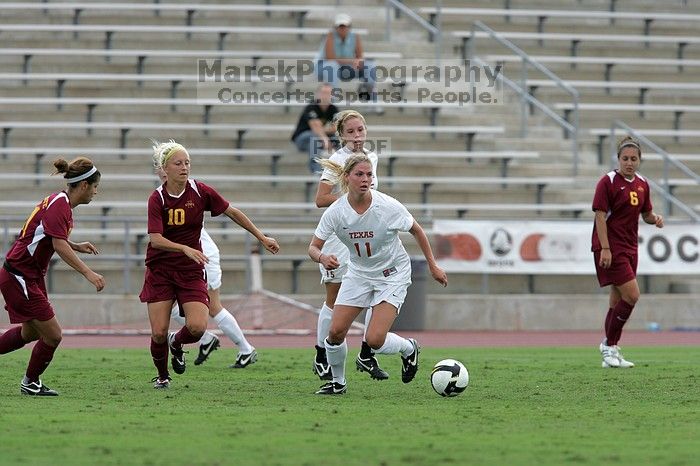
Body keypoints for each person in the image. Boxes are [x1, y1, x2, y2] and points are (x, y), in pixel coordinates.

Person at [140, 140, 279, 389]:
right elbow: (156, 240)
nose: (184, 167)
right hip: (160, 270)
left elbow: (232, 211)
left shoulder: (200, 191)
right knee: (158, 332)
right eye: (178, 163)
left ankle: (177, 343)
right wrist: (184, 248)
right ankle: (162, 376)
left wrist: (261, 236)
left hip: (191, 270)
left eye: (187, 162)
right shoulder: (157, 198)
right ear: (165, 169)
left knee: (196, 327)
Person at [309, 153, 448, 395]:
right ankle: (338, 384)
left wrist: (433, 265)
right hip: (359, 273)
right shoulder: (336, 211)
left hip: (392, 274)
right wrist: (322, 257)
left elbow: (417, 230)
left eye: (369, 174)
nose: (365, 179)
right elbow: (313, 247)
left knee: (374, 340)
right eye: (359, 174)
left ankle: (408, 349)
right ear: (346, 177)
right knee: (335, 332)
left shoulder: (387, 206)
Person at [0, 157, 105, 396]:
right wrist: (88, 273)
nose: (96, 192)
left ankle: (30, 381)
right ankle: (30, 382)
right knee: (54, 335)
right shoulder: (60, 204)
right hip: (20, 275)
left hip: (28, 275)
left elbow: (45, 235)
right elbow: (57, 244)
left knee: (31, 333)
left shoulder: (61, 202)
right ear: (84, 185)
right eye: (96, 186)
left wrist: (75, 245)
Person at [151, 166, 258, 369]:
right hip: (183, 261)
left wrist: (260, 236)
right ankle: (207, 339)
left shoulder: (192, 192)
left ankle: (245, 348)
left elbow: (230, 211)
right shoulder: (163, 196)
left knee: (212, 306)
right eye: (162, 171)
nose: (165, 175)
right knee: (174, 310)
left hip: (201, 258)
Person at [312, 109, 390, 383]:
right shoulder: (337, 160)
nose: (357, 136)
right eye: (351, 132)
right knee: (334, 300)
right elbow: (321, 199)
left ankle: (367, 354)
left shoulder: (372, 157)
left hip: (368, 236)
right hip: (341, 238)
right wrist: (351, 196)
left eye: (361, 130)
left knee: (374, 294)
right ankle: (321, 352)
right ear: (341, 135)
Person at [592, 136, 664, 368]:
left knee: (617, 299)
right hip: (612, 248)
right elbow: (600, 216)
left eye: (634, 159)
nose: (629, 163)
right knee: (632, 295)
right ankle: (609, 346)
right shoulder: (608, 182)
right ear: (618, 159)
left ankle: (610, 351)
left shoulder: (642, 183)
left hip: (631, 246)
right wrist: (604, 248)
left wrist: (655, 219)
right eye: (625, 158)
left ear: (640, 160)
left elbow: (645, 214)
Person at [316, 13, 380, 109]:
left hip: (343, 68)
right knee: (332, 66)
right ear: (335, 27)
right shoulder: (329, 36)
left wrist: (358, 61)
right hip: (324, 67)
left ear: (349, 27)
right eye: (340, 26)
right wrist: (352, 61)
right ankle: (332, 105)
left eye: (345, 26)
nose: (343, 29)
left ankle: (372, 100)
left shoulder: (355, 36)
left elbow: (359, 56)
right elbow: (330, 58)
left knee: (370, 65)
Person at [291, 83, 340, 173]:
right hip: (302, 138)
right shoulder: (311, 107)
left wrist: (322, 131)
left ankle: (343, 171)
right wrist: (324, 138)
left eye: (329, 93)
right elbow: (315, 127)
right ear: (318, 94)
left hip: (320, 139)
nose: (326, 96)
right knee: (314, 138)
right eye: (323, 93)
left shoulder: (333, 109)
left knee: (341, 140)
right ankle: (316, 171)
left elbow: (335, 128)